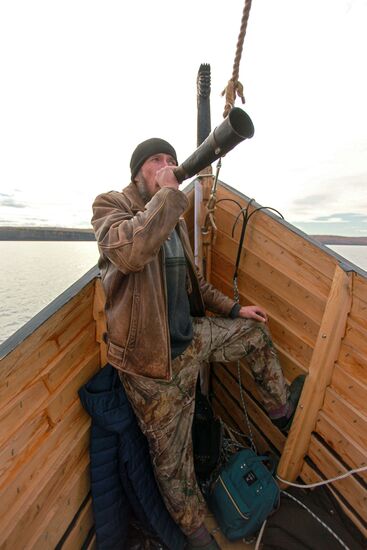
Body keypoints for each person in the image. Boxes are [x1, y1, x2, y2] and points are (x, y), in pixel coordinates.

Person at [91, 138, 304, 550]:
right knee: (174, 465)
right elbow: (131, 252)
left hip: (188, 340)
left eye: (171, 159)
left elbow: (198, 285)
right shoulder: (110, 206)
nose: (168, 164)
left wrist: (235, 309)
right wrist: (170, 193)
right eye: (157, 160)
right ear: (138, 171)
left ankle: (281, 412)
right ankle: (200, 537)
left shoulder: (172, 216)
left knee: (255, 333)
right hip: (150, 367)